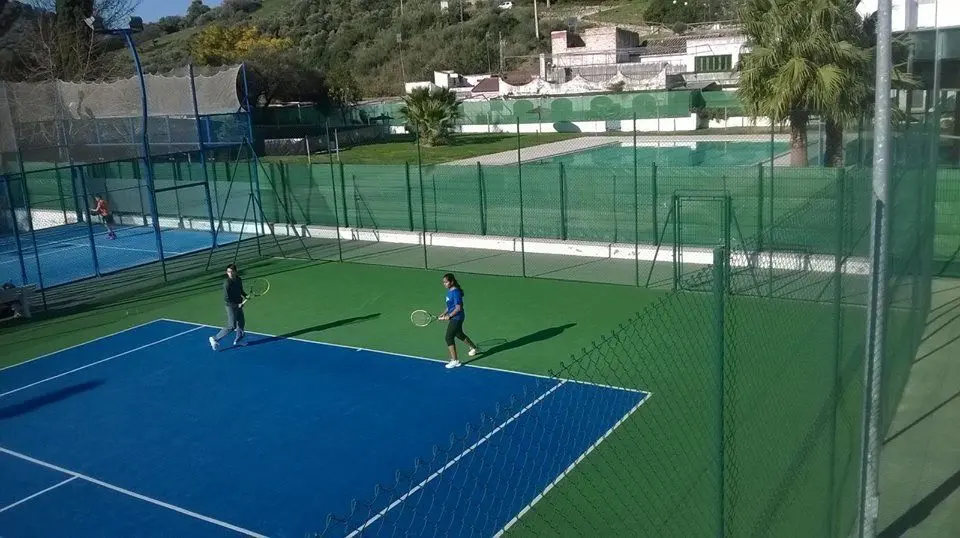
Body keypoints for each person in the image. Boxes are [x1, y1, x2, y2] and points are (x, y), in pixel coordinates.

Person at [437, 273, 480, 369]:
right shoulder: (450, 291)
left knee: (448, 337)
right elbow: (450, 306)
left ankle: (455, 360)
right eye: (443, 282)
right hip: (455, 317)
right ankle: (474, 348)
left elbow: (458, 308)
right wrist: (444, 313)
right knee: (459, 334)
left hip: (457, 317)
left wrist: (449, 316)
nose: (444, 284)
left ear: (451, 282)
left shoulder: (455, 292)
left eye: (446, 282)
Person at [209, 263, 248, 350]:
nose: (229, 273)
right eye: (228, 272)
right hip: (230, 306)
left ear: (235, 272)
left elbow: (241, 290)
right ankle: (214, 338)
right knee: (232, 326)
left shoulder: (238, 279)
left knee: (241, 323)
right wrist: (237, 305)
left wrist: (245, 295)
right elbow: (226, 298)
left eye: (231, 271)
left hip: (238, 304)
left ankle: (238, 340)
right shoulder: (227, 283)